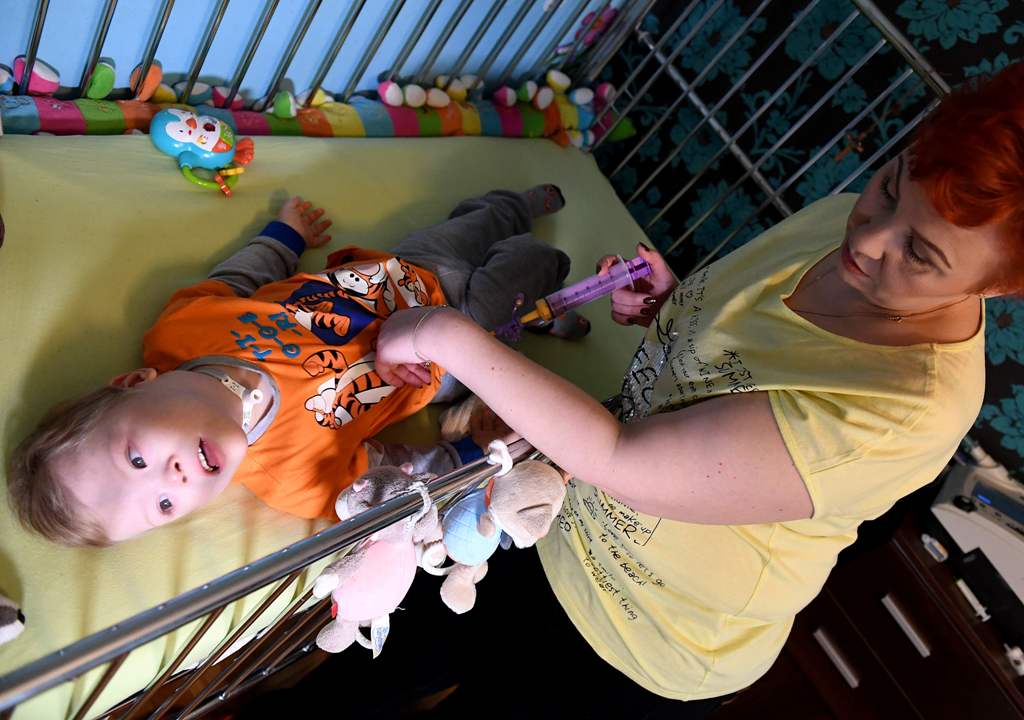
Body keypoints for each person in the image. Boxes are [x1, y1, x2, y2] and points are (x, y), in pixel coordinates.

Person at [361, 62, 1024, 711]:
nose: (870, 237)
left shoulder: (907, 408)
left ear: (995, 286)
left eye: (920, 254)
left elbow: (620, 459)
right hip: (554, 508)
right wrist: (675, 308)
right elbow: (750, 363)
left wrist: (443, 335)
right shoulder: (842, 221)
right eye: (891, 185)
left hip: (644, 633)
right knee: (371, 667)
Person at [6, 185, 571, 546]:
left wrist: (286, 235)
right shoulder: (295, 478)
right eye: (163, 506)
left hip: (397, 268)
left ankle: (513, 208)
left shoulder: (178, 331)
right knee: (534, 266)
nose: (171, 480)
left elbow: (237, 280)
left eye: (136, 458)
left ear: (133, 383)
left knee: (480, 220)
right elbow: (398, 471)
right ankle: (543, 302)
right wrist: (475, 452)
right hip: (450, 354)